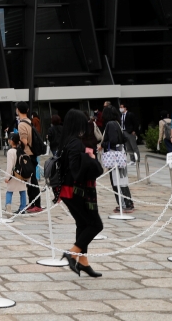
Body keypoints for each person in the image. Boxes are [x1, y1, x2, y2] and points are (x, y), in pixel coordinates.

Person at [58, 109, 103, 277]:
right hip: (77, 191)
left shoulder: (65, 142)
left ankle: (83, 262)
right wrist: (90, 159)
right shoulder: (76, 143)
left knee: (83, 224)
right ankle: (72, 253)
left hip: (66, 191)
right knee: (96, 225)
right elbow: (76, 170)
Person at [99, 105, 133, 212]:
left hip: (113, 156)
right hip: (119, 154)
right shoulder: (117, 123)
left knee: (116, 180)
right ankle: (128, 202)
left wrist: (103, 144)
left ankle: (124, 204)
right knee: (122, 179)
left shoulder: (110, 124)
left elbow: (112, 140)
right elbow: (124, 138)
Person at [15, 103, 42, 213]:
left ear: (17, 110)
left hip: (28, 154)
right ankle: (33, 203)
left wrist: (17, 143)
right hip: (33, 153)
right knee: (32, 179)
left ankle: (35, 204)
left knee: (31, 180)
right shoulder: (30, 121)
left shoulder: (22, 124)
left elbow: (24, 142)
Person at [4, 132, 27, 214]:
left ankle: (8, 206)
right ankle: (23, 208)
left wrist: (7, 176)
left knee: (9, 191)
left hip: (13, 174)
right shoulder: (22, 150)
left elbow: (9, 165)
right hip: (22, 174)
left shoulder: (10, 152)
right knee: (23, 191)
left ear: (12, 141)